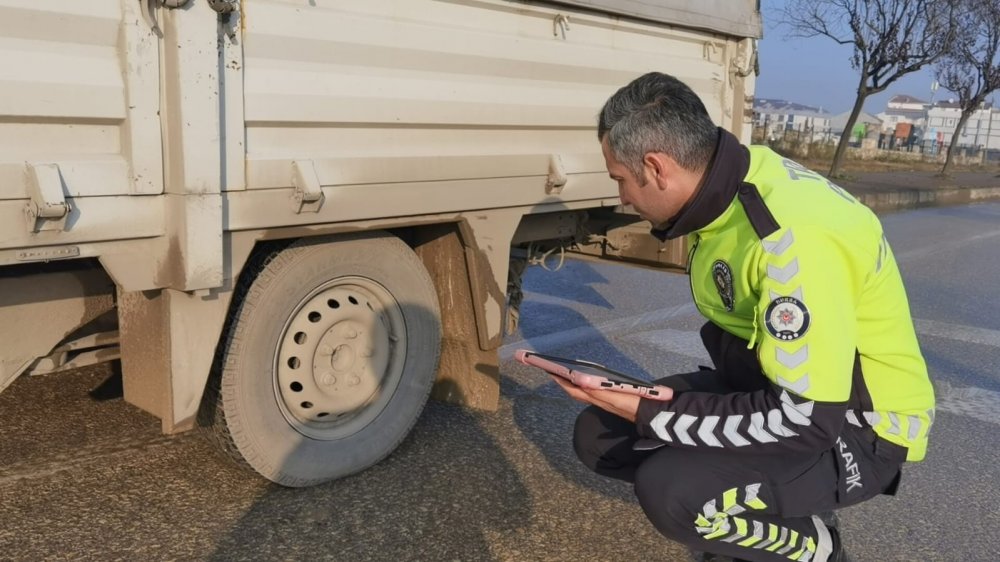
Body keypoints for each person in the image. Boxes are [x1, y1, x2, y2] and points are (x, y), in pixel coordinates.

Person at [552, 72, 934, 562]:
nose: (623, 198)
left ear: (657, 166)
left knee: (672, 492)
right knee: (599, 432)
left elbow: (806, 420)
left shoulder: (791, 241)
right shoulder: (733, 183)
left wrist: (655, 413)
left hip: (857, 425)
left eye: (621, 180)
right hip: (773, 383)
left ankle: (815, 545)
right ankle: (765, 501)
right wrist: (646, 409)